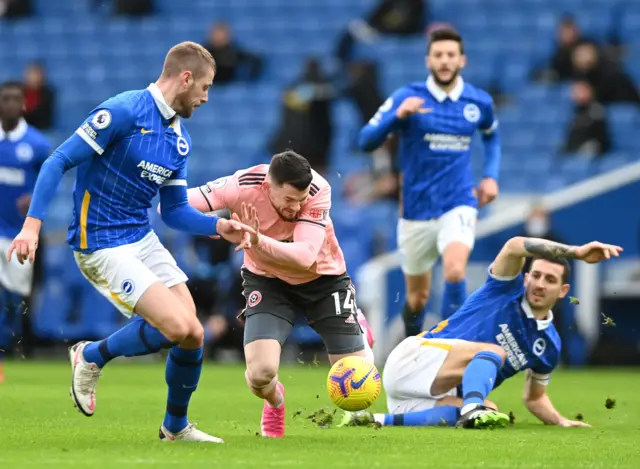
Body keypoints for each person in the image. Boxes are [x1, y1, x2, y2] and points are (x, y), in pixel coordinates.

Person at [7, 42, 255, 442]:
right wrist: (31, 226)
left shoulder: (179, 140)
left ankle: (175, 427)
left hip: (141, 237)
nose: (207, 98)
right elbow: (57, 161)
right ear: (185, 78)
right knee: (176, 326)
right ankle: (90, 356)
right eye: (205, 87)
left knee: (193, 333)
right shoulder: (122, 111)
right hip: (100, 243)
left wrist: (217, 227)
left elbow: (173, 210)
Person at [170, 150, 375, 439]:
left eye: (300, 200)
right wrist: (215, 225)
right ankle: (275, 402)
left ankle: (356, 322)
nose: (295, 208)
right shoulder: (240, 185)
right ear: (268, 186)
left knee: (359, 391)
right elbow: (176, 204)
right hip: (268, 282)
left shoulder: (319, 189)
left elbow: (304, 256)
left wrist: (257, 240)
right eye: (289, 200)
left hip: (324, 280)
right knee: (260, 375)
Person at [337, 236, 622, 429]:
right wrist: (575, 252)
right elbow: (514, 245)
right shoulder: (504, 289)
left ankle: (373, 419)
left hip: (426, 395)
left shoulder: (548, 345)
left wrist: (560, 421)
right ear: (525, 277)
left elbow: (534, 397)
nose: (539, 283)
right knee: (494, 354)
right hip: (413, 359)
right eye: (535, 275)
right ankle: (472, 407)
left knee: (491, 407)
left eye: (550, 280)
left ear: (563, 291)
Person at [358, 27, 502, 336]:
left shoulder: (478, 101)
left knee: (454, 270)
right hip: (416, 209)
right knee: (417, 297)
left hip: (459, 201)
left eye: (451, 55)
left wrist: (490, 177)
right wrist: (397, 116)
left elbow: (492, 137)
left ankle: (453, 346)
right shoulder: (407, 97)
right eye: (439, 55)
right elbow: (366, 141)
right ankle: (412, 346)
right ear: (428, 61)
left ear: (462, 60)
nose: (445, 61)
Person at [0, 81, 50, 382]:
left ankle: (10, 345)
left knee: (14, 297)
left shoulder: (37, 144)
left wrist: (35, 199)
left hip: (20, 233)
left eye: (14, 99)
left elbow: (50, 180)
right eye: (3, 98)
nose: (8, 104)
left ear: (23, 104)